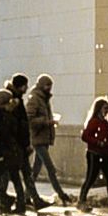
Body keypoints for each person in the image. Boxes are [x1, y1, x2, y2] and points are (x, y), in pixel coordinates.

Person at [0, 75, 40, 213]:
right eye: (25, 85)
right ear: (20, 86)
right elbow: (20, 126)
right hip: (16, 146)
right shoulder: (14, 102)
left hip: (15, 146)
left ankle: (6, 202)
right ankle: (17, 202)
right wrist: (25, 144)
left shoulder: (14, 100)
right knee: (16, 174)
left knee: (15, 174)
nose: (27, 88)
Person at [27, 75, 69, 205]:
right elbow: (30, 119)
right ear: (41, 85)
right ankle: (62, 195)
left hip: (43, 138)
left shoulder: (44, 99)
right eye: (47, 85)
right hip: (38, 138)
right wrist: (47, 122)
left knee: (35, 170)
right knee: (51, 169)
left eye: (50, 85)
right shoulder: (35, 99)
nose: (49, 88)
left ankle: (26, 195)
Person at [76, 97, 108, 209]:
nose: (107, 111)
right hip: (94, 153)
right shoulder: (94, 122)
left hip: (105, 153)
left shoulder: (105, 123)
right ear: (99, 109)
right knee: (91, 177)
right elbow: (85, 136)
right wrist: (97, 142)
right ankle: (81, 200)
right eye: (105, 108)